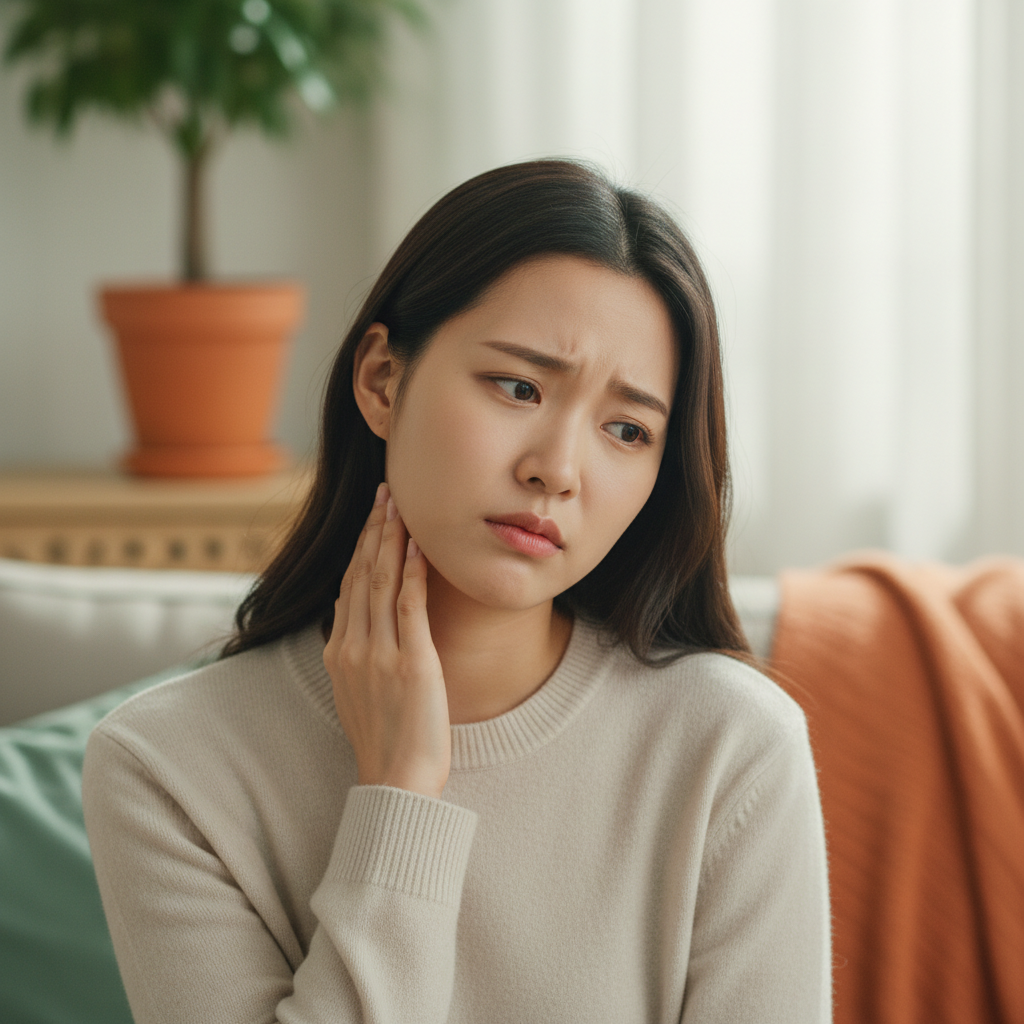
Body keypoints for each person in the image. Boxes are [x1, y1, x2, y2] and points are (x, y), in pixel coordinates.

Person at [82, 159, 832, 1023]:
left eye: (626, 430)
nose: (556, 469)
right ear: (381, 381)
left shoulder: (731, 747)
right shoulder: (168, 769)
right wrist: (400, 794)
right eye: (519, 386)